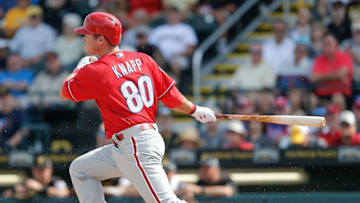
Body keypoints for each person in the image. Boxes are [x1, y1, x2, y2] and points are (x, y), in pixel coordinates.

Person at [60, 12, 216, 203]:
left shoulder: (96, 70)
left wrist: (78, 69)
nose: (83, 38)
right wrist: (195, 110)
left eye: (87, 34)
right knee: (80, 169)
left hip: (135, 144)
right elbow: (168, 94)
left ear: (100, 39)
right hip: (135, 142)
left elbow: (66, 91)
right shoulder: (143, 59)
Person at [2, 155, 70, 199]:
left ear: (50, 170)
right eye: (37, 169)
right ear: (33, 170)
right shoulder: (28, 182)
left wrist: (41, 189)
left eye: (42, 169)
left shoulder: (56, 182)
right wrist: (15, 192)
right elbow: (5, 196)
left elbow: (65, 193)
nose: (39, 172)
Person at [311, 33, 353, 97]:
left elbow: (341, 74)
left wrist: (321, 78)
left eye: (329, 44)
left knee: (337, 96)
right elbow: (313, 78)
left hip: (341, 94)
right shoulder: (319, 59)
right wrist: (335, 77)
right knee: (311, 99)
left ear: (336, 44)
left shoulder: (345, 56)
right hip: (321, 95)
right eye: (325, 44)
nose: (327, 47)